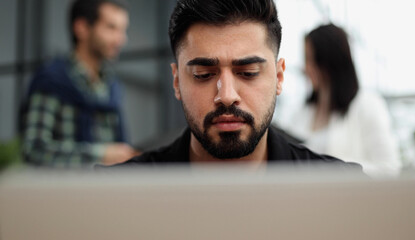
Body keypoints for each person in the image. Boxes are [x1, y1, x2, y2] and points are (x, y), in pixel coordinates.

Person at [107, 0, 361, 170]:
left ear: (279, 78)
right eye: (204, 74)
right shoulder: (113, 193)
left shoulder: (344, 191)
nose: (227, 96)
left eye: (248, 73)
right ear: (176, 81)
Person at [22, 0, 139, 168]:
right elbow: (34, 151)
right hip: (63, 192)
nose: (121, 40)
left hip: (107, 191)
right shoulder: (51, 81)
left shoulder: (112, 87)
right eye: (111, 28)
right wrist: (101, 155)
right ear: (82, 28)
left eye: (123, 30)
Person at [282, 24, 401, 176]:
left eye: (309, 59)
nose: (305, 68)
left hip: (350, 198)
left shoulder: (367, 104)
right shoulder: (302, 111)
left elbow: (389, 168)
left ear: (328, 62)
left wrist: (333, 167)